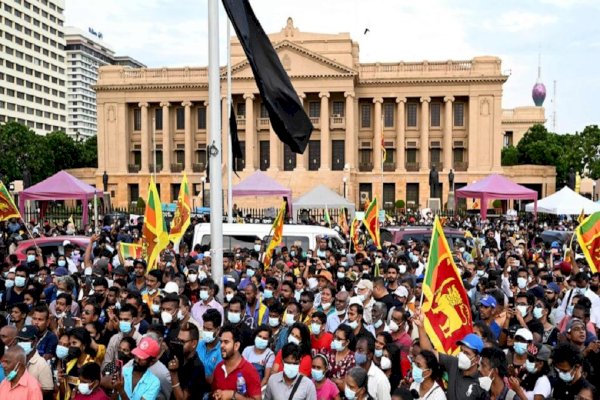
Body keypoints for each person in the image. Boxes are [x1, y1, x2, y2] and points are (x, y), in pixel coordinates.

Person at [415, 310, 487, 400]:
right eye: (461, 350)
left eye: (467, 353)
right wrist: (421, 327)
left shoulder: (482, 382)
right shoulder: (454, 363)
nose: (462, 355)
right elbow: (429, 353)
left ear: (477, 359)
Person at [211, 325, 262, 400]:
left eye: (226, 342)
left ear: (236, 346)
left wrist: (234, 395)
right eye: (221, 342)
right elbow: (214, 391)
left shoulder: (250, 371)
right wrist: (217, 393)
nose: (221, 345)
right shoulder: (219, 368)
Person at [167, 323, 209, 400]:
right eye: (178, 340)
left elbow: (182, 398)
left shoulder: (197, 367)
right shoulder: (178, 357)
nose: (179, 344)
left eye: (182, 342)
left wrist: (174, 374)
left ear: (194, 343)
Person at [16, 325, 54, 398]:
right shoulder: (16, 360)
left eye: (25, 340)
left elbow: (47, 391)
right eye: (20, 340)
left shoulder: (42, 364)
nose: (21, 343)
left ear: (35, 341)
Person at [354, 334, 391, 400]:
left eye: (360, 350)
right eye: (356, 349)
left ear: (369, 355)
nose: (356, 353)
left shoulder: (380, 379)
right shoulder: (353, 371)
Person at [326, 324, 356, 390]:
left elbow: (346, 384)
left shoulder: (352, 358)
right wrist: (336, 381)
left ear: (347, 342)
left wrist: (331, 380)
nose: (335, 340)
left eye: (339, 339)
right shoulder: (330, 352)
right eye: (335, 337)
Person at [196, 309, 223, 383]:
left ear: (218, 330)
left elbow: (213, 379)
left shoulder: (222, 350)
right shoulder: (198, 345)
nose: (205, 332)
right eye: (204, 328)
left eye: (209, 329)